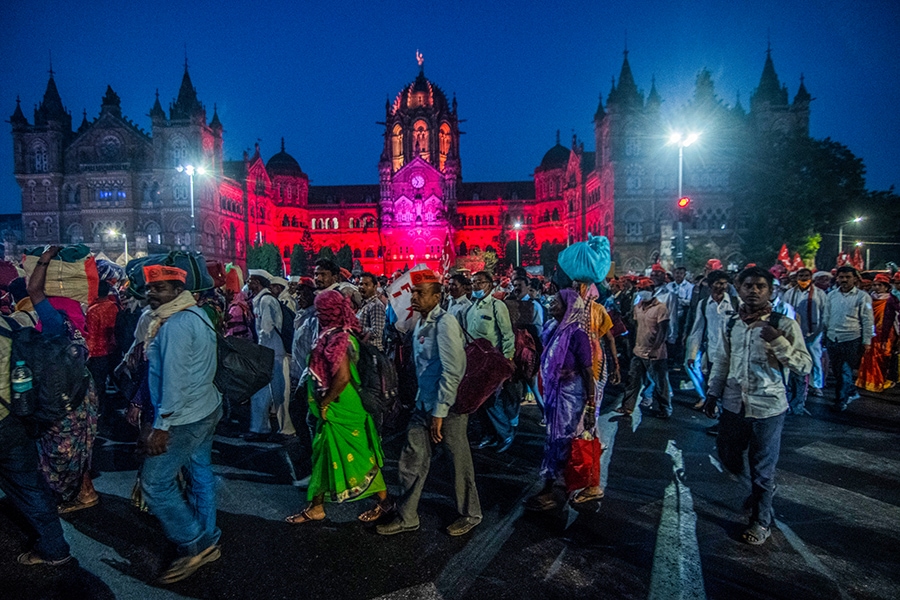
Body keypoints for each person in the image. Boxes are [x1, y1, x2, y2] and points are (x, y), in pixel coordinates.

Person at [705, 266, 812, 545]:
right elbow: (722, 361)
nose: (753, 291)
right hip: (733, 404)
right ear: (738, 289)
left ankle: (760, 521)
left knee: (762, 467)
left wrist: (777, 341)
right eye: (748, 285)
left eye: (760, 286)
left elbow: (803, 365)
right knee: (728, 456)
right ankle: (760, 490)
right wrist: (712, 394)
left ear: (771, 291)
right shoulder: (732, 323)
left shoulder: (784, 325)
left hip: (768, 407)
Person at [377, 270, 481, 536]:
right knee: (411, 460)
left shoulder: (445, 323)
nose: (414, 297)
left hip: (447, 408)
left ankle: (470, 513)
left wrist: (440, 412)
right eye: (413, 292)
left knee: (458, 462)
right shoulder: (421, 323)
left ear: (437, 296)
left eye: (420, 293)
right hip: (424, 404)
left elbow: (453, 370)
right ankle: (407, 516)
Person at [140, 264, 223, 583]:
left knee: (156, 484)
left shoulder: (174, 325)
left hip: (184, 417)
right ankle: (208, 537)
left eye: (159, 288)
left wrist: (160, 425)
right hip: (206, 407)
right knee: (200, 474)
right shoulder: (197, 314)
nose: (151, 293)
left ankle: (193, 544)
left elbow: (173, 381)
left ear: (177, 291)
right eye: (149, 288)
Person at [286, 290, 389, 524]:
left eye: (321, 310)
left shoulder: (338, 338)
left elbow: (342, 377)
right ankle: (316, 506)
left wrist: (325, 402)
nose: (319, 314)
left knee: (360, 459)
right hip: (340, 406)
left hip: (341, 407)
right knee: (323, 455)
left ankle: (385, 502)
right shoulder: (341, 332)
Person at [0, 247, 72, 566]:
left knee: (28, 484)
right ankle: (55, 546)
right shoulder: (17, 326)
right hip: (18, 419)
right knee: (30, 485)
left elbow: (32, 292)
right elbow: (35, 294)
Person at [26, 248, 99, 514]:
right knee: (81, 444)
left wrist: (46, 258)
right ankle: (86, 491)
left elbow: (34, 290)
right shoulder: (76, 315)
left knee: (61, 446)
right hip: (81, 387)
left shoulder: (54, 321)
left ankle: (70, 493)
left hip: (63, 392)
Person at [526, 289, 597, 511]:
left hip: (571, 397)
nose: (550, 304)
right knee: (553, 439)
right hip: (554, 395)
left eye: (555, 302)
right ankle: (554, 488)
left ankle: (555, 490)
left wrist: (590, 405)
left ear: (569, 308)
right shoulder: (551, 329)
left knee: (564, 441)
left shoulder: (577, 335)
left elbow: (587, 372)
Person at [466, 270, 517, 452]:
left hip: (493, 363)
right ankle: (489, 435)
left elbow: (507, 335)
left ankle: (506, 434)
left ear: (489, 284)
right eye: (473, 283)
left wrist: (507, 359)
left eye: (479, 282)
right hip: (475, 364)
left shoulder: (497, 306)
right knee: (478, 403)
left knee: (491, 401)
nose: (476, 286)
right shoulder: (472, 308)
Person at [246, 269, 294, 440]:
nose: (248, 282)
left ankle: (284, 429)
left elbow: (265, 329)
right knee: (263, 392)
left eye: (251, 280)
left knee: (280, 392)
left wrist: (259, 351)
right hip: (268, 354)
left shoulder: (266, 301)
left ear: (258, 283)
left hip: (274, 354)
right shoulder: (260, 300)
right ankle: (260, 428)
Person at [616, 277, 672, 418]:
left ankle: (665, 409)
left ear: (652, 290)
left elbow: (662, 330)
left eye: (645, 289)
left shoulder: (661, 308)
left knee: (660, 383)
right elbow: (635, 326)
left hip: (655, 353)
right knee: (632, 380)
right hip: (638, 350)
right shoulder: (638, 307)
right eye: (640, 289)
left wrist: (655, 348)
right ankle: (627, 407)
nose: (642, 292)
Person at [823, 266, 875, 411]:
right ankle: (850, 391)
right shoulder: (832, 295)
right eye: (841, 277)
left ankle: (841, 400)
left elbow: (867, 320)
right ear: (837, 278)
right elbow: (826, 317)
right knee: (838, 370)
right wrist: (825, 335)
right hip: (833, 338)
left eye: (847, 277)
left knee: (845, 370)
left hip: (852, 338)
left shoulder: (862, 296)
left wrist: (867, 341)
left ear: (855, 279)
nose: (844, 280)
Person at [685, 270, 735, 411]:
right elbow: (697, 330)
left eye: (725, 283)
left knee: (731, 391)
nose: (722, 287)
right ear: (710, 285)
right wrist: (692, 355)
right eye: (719, 283)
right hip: (713, 354)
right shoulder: (704, 304)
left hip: (733, 355)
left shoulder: (735, 303)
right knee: (714, 387)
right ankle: (719, 420)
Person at [782, 268, 827, 411]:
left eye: (806, 276)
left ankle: (817, 385)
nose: (803, 278)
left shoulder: (819, 294)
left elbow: (824, 313)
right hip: (794, 331)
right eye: (801, 276)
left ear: (811, 277)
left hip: (813, 331)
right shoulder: (789, 293)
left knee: (815, 359)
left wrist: (819, 331)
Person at [856, 273, 899, 393]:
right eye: (874, 285)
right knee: (868, 356)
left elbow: (895, 318)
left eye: (879, 285)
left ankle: (881, 380)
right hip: (870, 332)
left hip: (885, 333)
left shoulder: (891, 300)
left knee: (882, 357)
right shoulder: (868, 298)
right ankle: (866, 381)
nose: (876, 287)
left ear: (886, 287)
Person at [86, 280, 120, 425]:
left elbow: (91, 336)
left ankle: (99, 413)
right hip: (113, 351)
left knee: (98, 385)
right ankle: (110, 411)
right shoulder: (115, 308)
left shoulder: (93, 311)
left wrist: (87, 355)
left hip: (97, 353)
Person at [356, 272, 386, 352]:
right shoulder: (364, 304)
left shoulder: (376, 305)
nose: (362, 287)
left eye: (366, 284)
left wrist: (358, 328)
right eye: (360, 284)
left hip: (372, 352)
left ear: (375, 287)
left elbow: (377, 331)